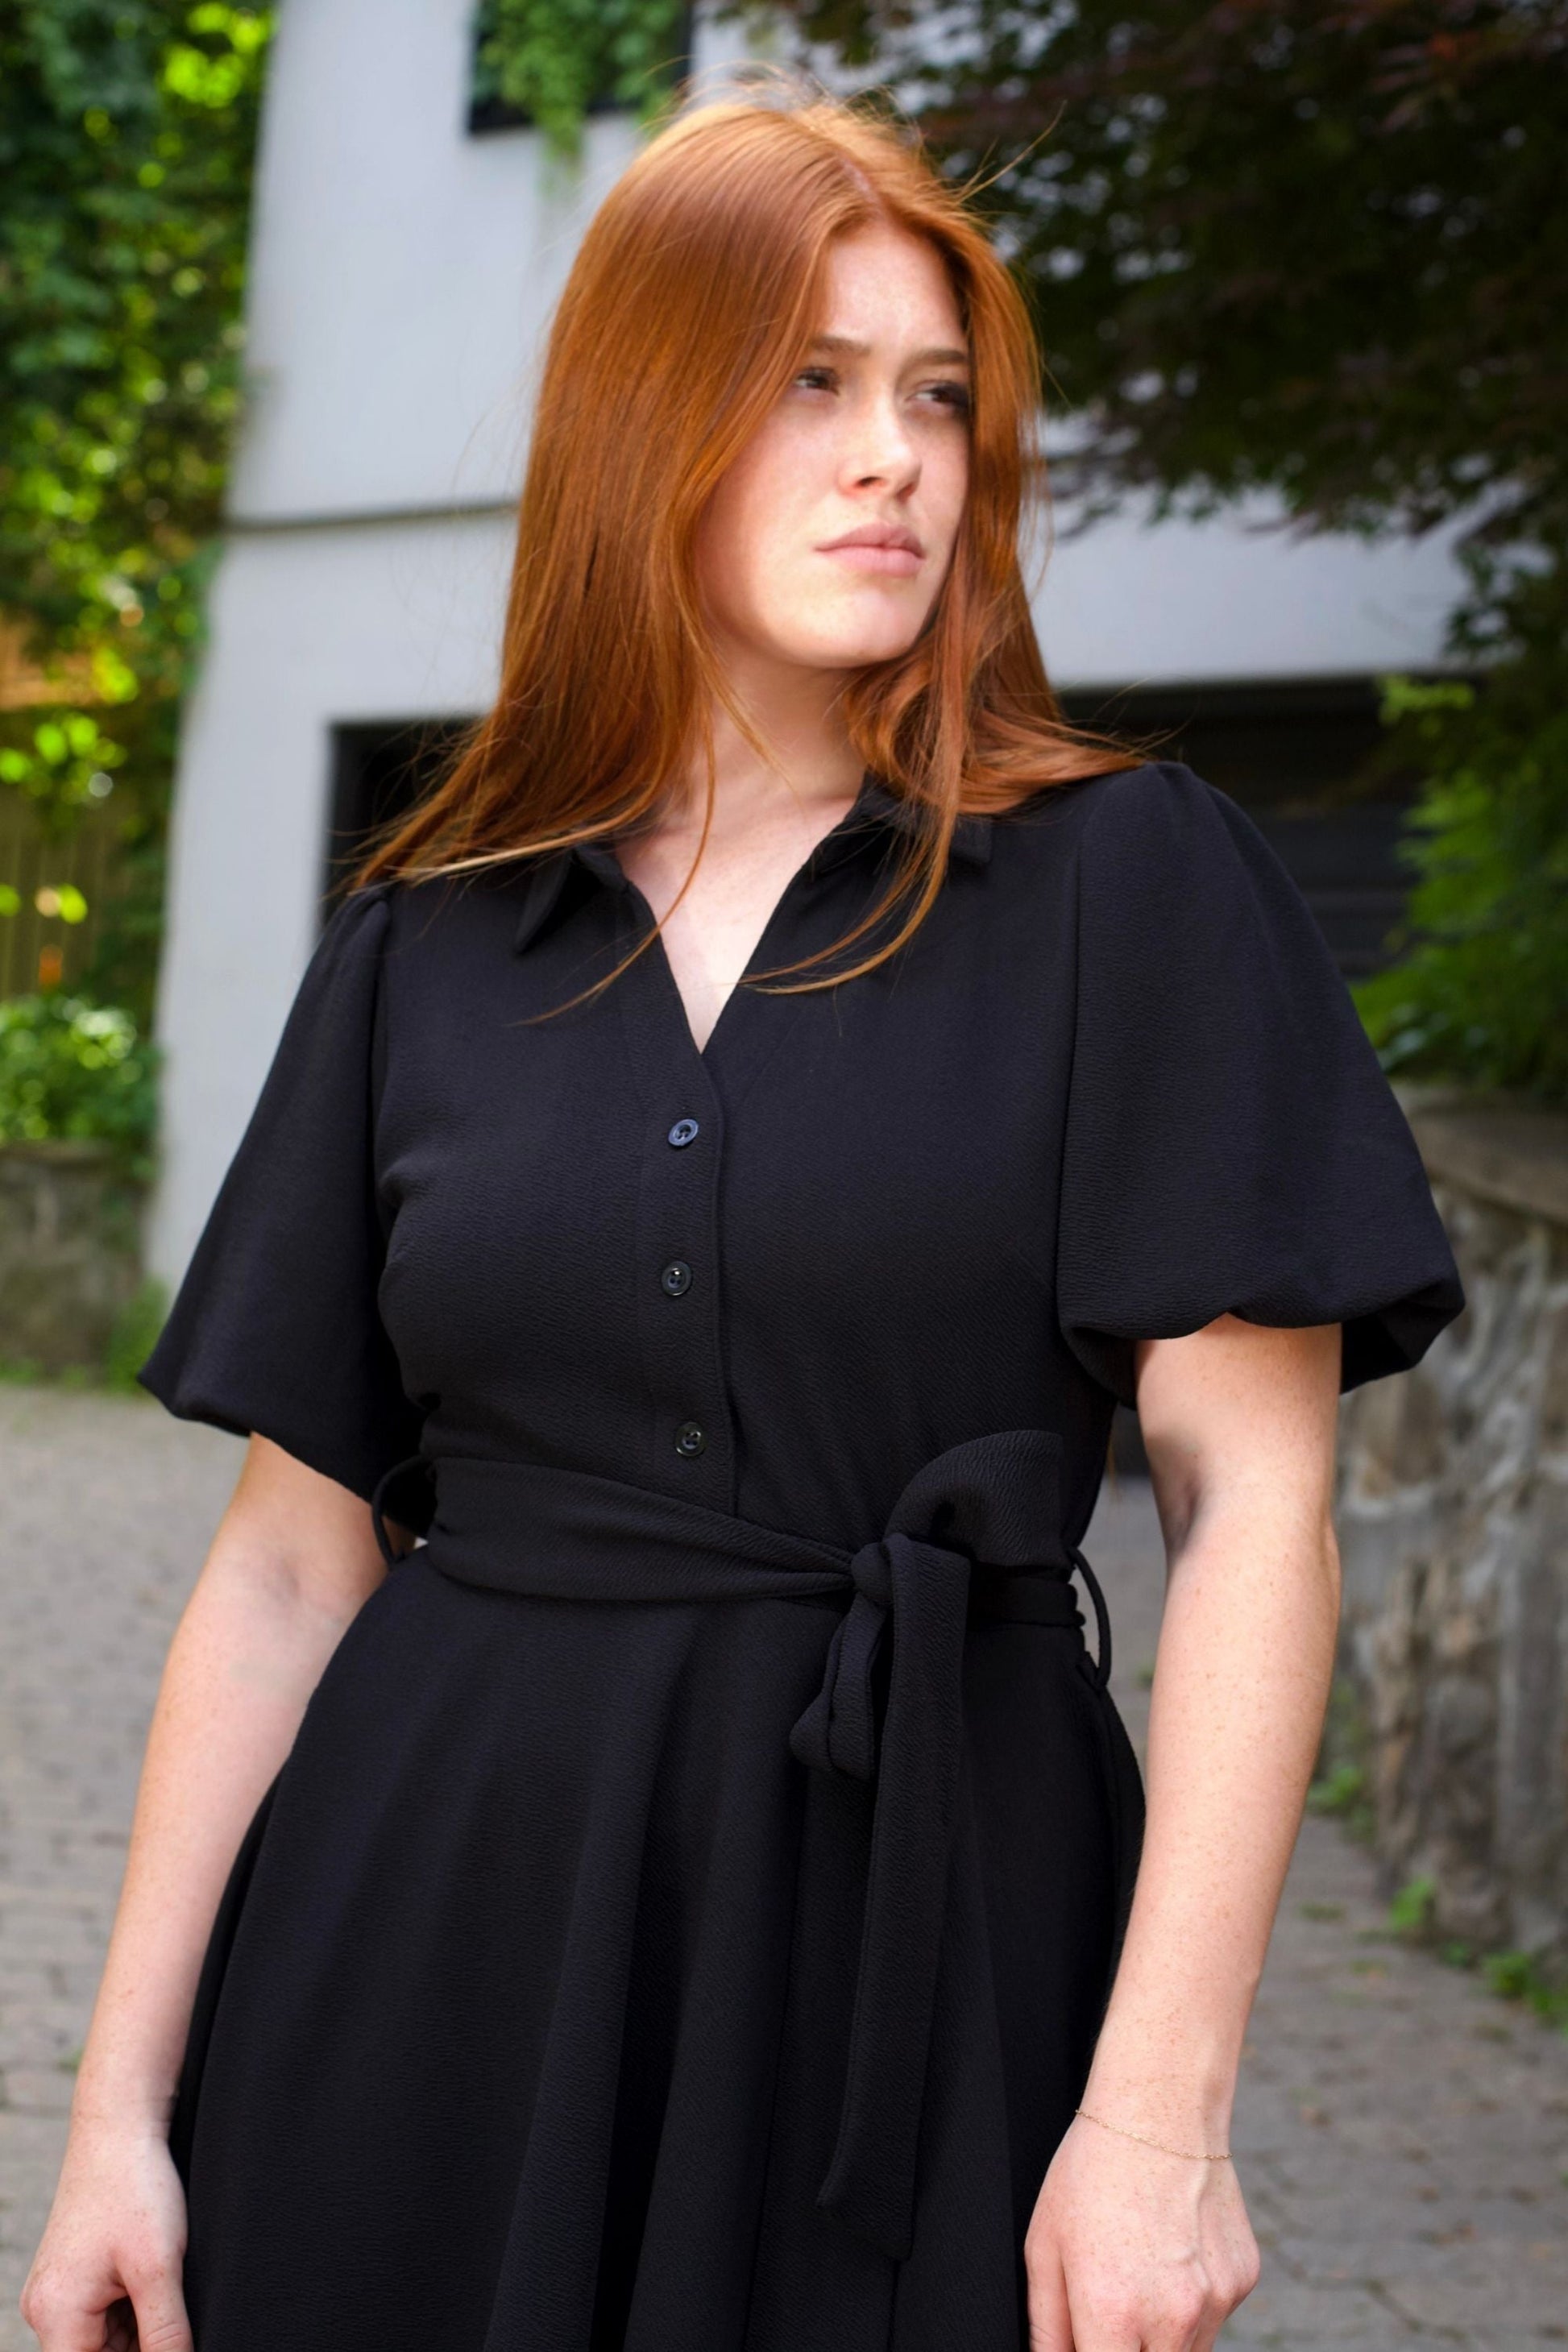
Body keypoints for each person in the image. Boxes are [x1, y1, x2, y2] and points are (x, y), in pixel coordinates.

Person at [23, 84, 1464, 2352]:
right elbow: (288, 1569)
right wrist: (115, 2110)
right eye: (810, 382)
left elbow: (1250, 1499)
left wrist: (1160, 2115)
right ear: (641, 423)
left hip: (923, 1951)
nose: (896, 460)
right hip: (420, 1957)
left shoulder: (1132, 884)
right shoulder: (427, 940)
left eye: (936, 398)